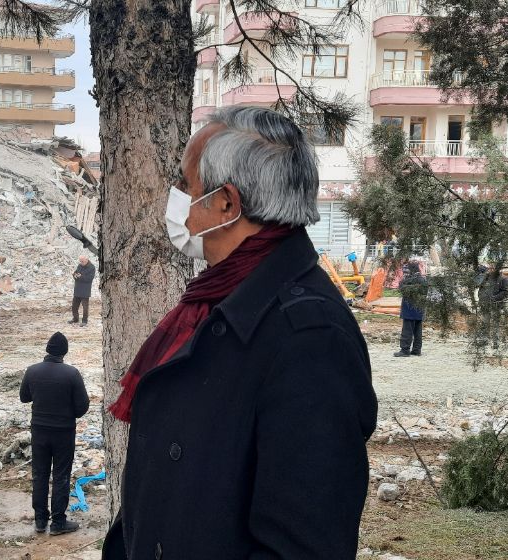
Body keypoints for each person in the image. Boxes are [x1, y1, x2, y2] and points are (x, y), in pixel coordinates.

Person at [102, 107, 378, 559]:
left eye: (187, 186)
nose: (177, 200)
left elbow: (304, 546)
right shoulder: (215, 300)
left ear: (227, 203)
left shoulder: (310, 338)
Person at [19, 332, 89, 536]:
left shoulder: (32, 371)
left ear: (47, 349)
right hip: (64, 432)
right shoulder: (72, 374)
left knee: (39, 475)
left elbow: (24, 398)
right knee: (61, 476)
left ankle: (40, 520)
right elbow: (82, 406)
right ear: (64, 352)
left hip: (39, 431)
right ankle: (58, 522)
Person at [395, 261, 427, 357]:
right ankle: (417, 350)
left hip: (409, 309)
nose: (404, 273)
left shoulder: (408, 280)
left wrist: (404, 281)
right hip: (420, 309)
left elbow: (401, 288)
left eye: (406, 271)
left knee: (407, 330)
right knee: (418, 331)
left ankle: (405, 350)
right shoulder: (423, 280)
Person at [70, 256, 96, 326]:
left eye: (82, 261)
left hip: (85, 290)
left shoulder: (92, 267)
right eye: (80, 261)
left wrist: (80, 276)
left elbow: (89, 278)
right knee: (74, 306)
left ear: (87, 260)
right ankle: (75, 319)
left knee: (85, 307)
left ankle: (84, 321)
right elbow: (76, 273)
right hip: (77, 289)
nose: (81, 263)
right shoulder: (79, 265)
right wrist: (74, 275)